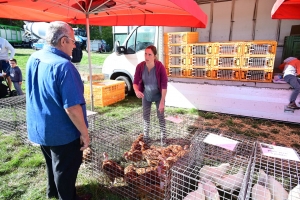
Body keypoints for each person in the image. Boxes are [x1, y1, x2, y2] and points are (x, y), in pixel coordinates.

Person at [26, 21, 90, 200]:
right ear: (63, 41)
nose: (75, 45)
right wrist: (84, 134)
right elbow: (72, 107)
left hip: (40, 127)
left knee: (51, 163)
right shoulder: (64, 66)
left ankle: (52, 192)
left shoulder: (34, 57)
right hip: (62, 133)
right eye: (73, 40)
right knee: (65, 171)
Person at [133, 45, 168, 146]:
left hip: (158, 95)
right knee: (145, 116)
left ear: (155, 56)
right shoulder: (140, 66)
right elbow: (135, 82)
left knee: (160, 116)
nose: (146, 57)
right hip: (146, 95)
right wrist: (136, 91)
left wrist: (162, 102)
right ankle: (146, 137)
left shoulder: (160, 67)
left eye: (149, 54)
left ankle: (163, 137)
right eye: (145, 54)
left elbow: (164, 86)